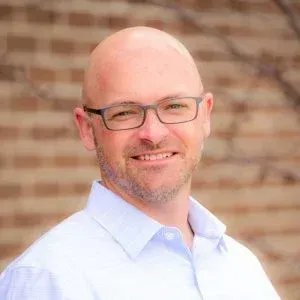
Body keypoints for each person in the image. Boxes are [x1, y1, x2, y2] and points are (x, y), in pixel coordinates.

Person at [0, 27, 280, 299]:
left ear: (205, 116)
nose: (153, 134)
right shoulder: (48, 279)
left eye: (173, 106)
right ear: (87, 129)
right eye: (125, 112)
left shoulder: (242, 268)